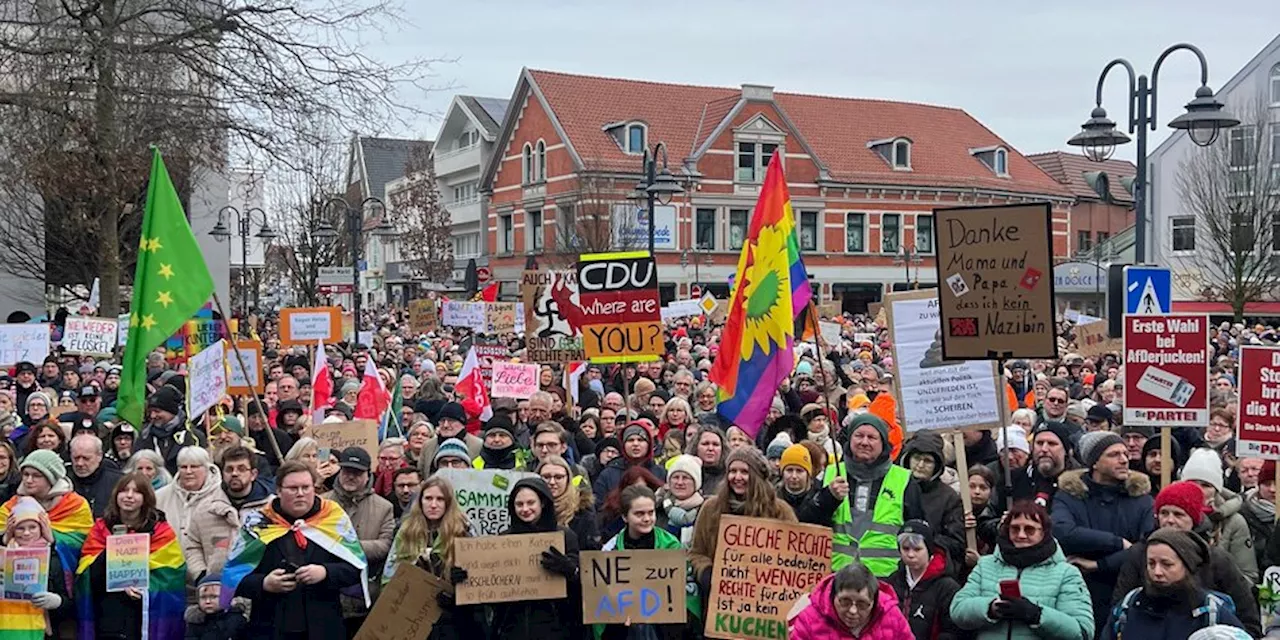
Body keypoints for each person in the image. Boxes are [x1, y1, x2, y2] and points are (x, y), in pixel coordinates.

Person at [222, 461, 367, 640]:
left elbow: (355, 568)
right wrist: (264, 583)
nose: (300, 494)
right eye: (293, 488)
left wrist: (325, 572)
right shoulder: (258, 523)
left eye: (306, 487)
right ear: (279, 490)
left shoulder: (334, 518)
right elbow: (233, 577)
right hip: (271, 626)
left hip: (323, 626)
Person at [1109, 481, 1260, 637]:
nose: (1170, 520)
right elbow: (1118, 610)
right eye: (1164, 513)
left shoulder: (1217, 560)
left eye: (1178, 514)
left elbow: (1247, 619)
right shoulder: (1139, 553)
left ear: (1194, 518)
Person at [1052, 430, 1155, 636]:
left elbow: (1147, 547)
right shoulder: (1070, 495)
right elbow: (1063, 532)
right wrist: (1118, 543)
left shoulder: (1142, 499)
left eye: (1125, 454)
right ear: (1094, 462)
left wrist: (1098, 565)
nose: (1124, 460)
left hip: (1129, 590)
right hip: (1081, 593)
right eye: (1114, 454)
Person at [950, 500, 1094, 640]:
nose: (1021, 535)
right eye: (1015, 529)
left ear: (1043, 532)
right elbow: (958, 609)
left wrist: (1035, 614)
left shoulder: (1066, 573)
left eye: (1030, 529)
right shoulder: (986, 565)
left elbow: (1082, 631)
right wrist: (991, 608)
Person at [75, 472, 187, 640]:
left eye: (136, 492)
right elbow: (86, 573)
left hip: (142, 615)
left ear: (146, 498)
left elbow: (171, 574)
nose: (129, 496)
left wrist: (143, 588)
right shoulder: (100, 528)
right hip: (108, 616)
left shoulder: (160, 531)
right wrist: (113, 551)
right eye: (124, 490)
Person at [824, 413, 926, 575]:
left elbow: (917, 532)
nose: (864, 442)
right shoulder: (830, 474)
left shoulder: (904, 480)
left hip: (886, 579)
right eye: (859, 436)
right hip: (835, 575)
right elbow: (808, 521)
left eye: (872, 437)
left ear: (883, 443)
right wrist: (827, 498)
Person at [1100, 528, 1247, 640]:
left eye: (1166, 564)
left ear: (1187, 566)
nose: (1157, 571)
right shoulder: (1129, 606)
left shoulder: (1211, 613)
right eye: (1151, 563)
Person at [382, 476, 482, 640]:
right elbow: (389, 577)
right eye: (428, 498)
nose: (433, 505)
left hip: (455, 618)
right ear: (420, 501)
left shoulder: (464, 529)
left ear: (448, 502)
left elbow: (480, 573)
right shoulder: (406, 530)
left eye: (440, 499)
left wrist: (461, 582)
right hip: (415, 616)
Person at [596, 485, 700, 640]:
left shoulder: (671, 545)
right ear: (625, 517)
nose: (646, 519)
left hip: (665, 629)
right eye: (639, 514)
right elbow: (602, 597)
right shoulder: (611, 550)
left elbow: (687, 592)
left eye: (650, 513)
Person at [690, 447, 796, 594]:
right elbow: (696, 552)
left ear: (757, 476)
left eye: (745, 472)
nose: (737, 477)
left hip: (765, 599)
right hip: (719, 599)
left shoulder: (779, 511)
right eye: (732, 471)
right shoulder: (711, 508)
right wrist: (706, 572)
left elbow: (794, 558)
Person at [488, 478, 581, 640]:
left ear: (543, 503)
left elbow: (582, 588)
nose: (525, 509)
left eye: (531, 503)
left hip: (556, 629)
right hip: (512, 629)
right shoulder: (503, 540)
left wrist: (570, 570)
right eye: (519, 504)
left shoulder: (565, 537)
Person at [322, 447, 394, 636]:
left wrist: (345, 546)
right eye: (347, 471)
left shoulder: (384, 507)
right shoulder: (321, 503)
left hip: (364, 598)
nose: (351, 477)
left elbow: (386, 545)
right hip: (325, 595)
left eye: (357, 472)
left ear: (367, 474)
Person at [155, 446, 239, 585]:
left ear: (207, 468)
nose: (188, 471)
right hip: (169, 578)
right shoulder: (159, 497)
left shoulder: (222, 494)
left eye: (194, 467)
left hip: (212, 577)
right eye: (183, 467)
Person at [1178, 447, 1258, 584]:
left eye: (1206, 485)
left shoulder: (1234, 522)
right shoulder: (1170, 516)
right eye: (1192, 483)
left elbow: (1248, 576)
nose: (1198, 490)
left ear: (1216, 490)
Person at [0, 496, 74, 638]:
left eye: (33, 527)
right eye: (20, 528)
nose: (26, 533)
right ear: (12, 529)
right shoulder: (3, 553)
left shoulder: (53, 559)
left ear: (42, 528)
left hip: (40, 631)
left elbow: (69, 604)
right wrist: (4, 542)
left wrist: (57, 601)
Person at [789, 561, 912, 640]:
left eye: (862, 604)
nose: (853, 611)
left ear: (874, 601)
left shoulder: (893, 617)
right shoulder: (809, 618)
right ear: (833, 596)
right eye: (845, 602)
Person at [898, 431, 966, 565]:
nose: (921, 465)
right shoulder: (893, 487)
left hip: (931, 567)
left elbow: (956, 544)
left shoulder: (949, 497)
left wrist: (926, 538)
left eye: (928, 461)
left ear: (937, 466)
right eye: (917, 458)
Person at [886, 519, 960, 640]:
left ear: (929, 549)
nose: (910, 554)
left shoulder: (947, 587)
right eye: (905, 548)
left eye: (917, 549)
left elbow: (952, 631)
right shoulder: (892, 582)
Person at [137, 386, 206, 475]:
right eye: (150, 412)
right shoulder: (144, 436)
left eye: (157, 411)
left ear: (172, 411)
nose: (152, 416)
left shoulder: (193, 437)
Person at [593, 422, 666, 506]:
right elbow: (599, 505)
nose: (635, 444)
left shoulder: (660, 472)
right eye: (630, 440)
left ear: (649, 445)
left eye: (640, 440)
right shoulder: (608, 474)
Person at [538, 455, 599, 551]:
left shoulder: (583, 511)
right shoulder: (528, 508)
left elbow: (591, 550)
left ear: (568, 479)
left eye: (558, 477)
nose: (552, 482)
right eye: (546, 477)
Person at [775, 443, 845, 526]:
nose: (794, 476)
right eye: (789, 470)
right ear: (782, 472)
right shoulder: (772, 496)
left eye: (799, 471)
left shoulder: (821, 495)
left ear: (808, 473)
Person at [418, 402, 483, 472]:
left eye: (451, 421)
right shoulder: (428, 446)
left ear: (462, 423)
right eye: (442, 421)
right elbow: (421, 473)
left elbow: (480, 471)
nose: (445, 425)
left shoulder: (477, 445)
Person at [182, 575, 248, 640]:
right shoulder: (195, 622)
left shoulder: (236, 619)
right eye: (203, 597)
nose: (208, 601)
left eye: (214, 597)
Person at [218, 446, 272, 516]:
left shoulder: (270, 505)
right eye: (229, 469)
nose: (234, 473)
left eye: (241, 469)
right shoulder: (211, 503)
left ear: (253, 475)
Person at [686, 424, 727, 497]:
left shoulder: (729, 476)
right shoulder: (686, 472)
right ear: (696, 447)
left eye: (715, 444)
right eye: (705, 444)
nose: (711, 448)